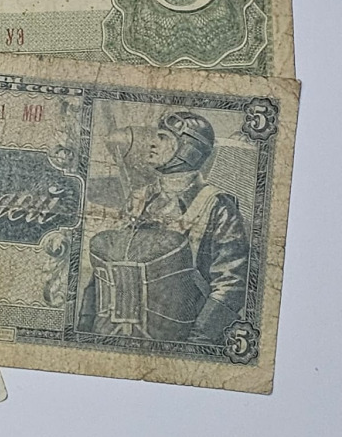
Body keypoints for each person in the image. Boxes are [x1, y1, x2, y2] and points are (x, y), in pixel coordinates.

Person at [78, 110, 250, 344]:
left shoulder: (218, 206)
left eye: (163, 138)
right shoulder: (139, 199)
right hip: (122, 334)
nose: (152, 143)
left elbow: (231, 284)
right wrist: (86, 326)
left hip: (181, 337)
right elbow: (106, 268)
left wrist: (197, 341)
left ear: (188, 149)